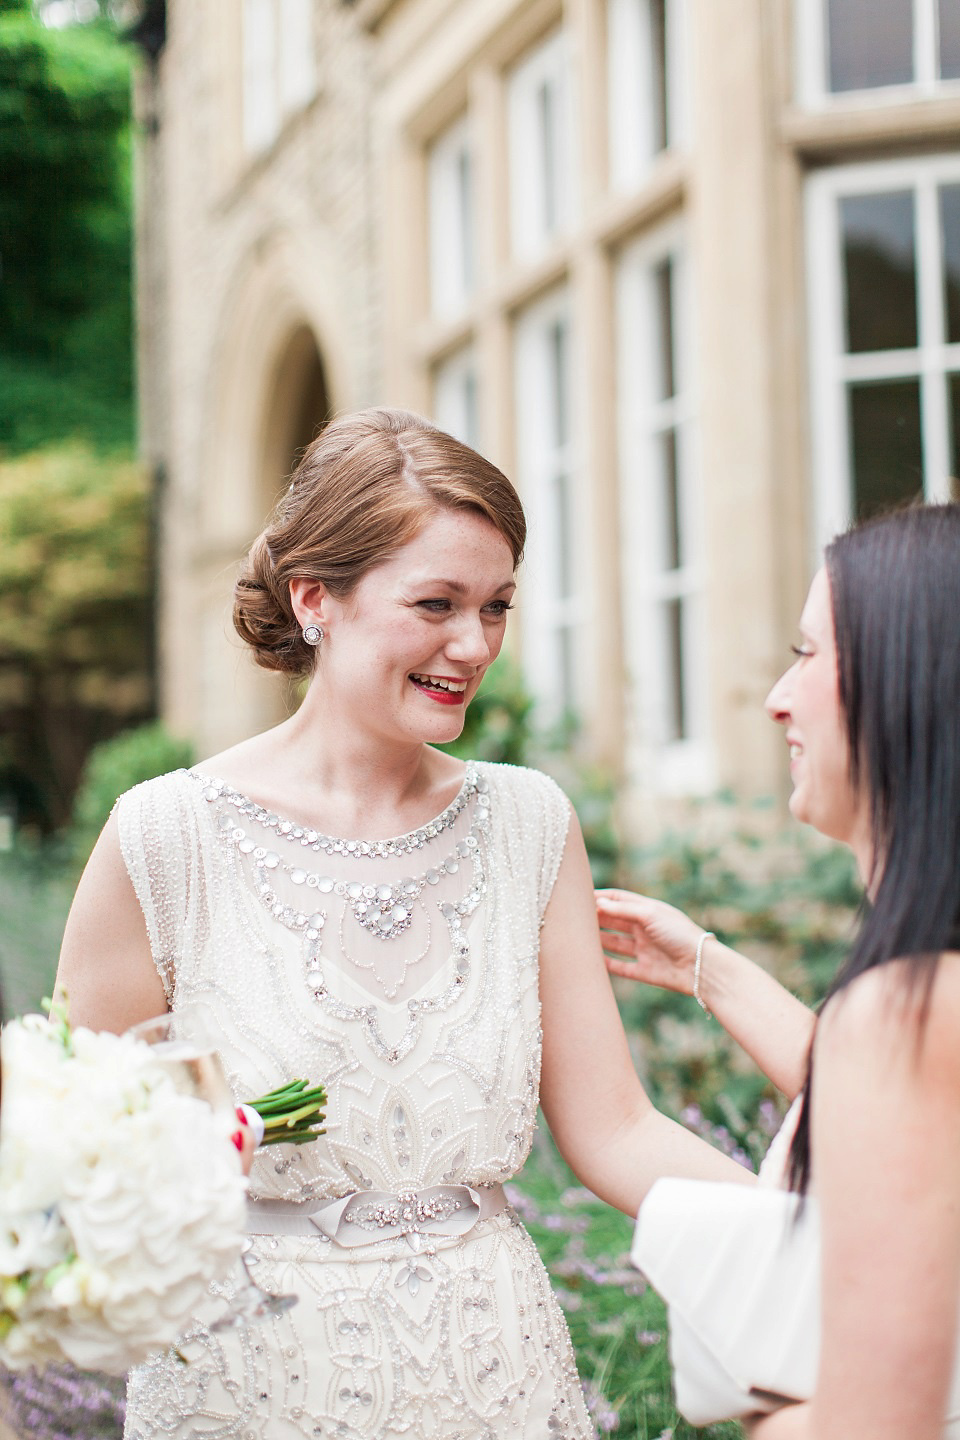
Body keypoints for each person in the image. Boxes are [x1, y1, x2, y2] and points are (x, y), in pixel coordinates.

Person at [55, 408, 748, 1440]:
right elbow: (71, 1153)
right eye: (437, 603)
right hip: (250, 1388)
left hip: (495, 1375)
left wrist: (813, 1225)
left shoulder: (527, 824)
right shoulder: (165, 838)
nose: (473, 645)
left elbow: (614, 1128)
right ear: (315, 599)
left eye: (498, 607)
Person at [598, 502, 960, 1440]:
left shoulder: (909, 1017)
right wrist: (711, 971)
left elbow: (880, 1426)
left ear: (906, 679)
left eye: (808, 655)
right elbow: (907, 1125)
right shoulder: (925, 1012)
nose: (776, 698)